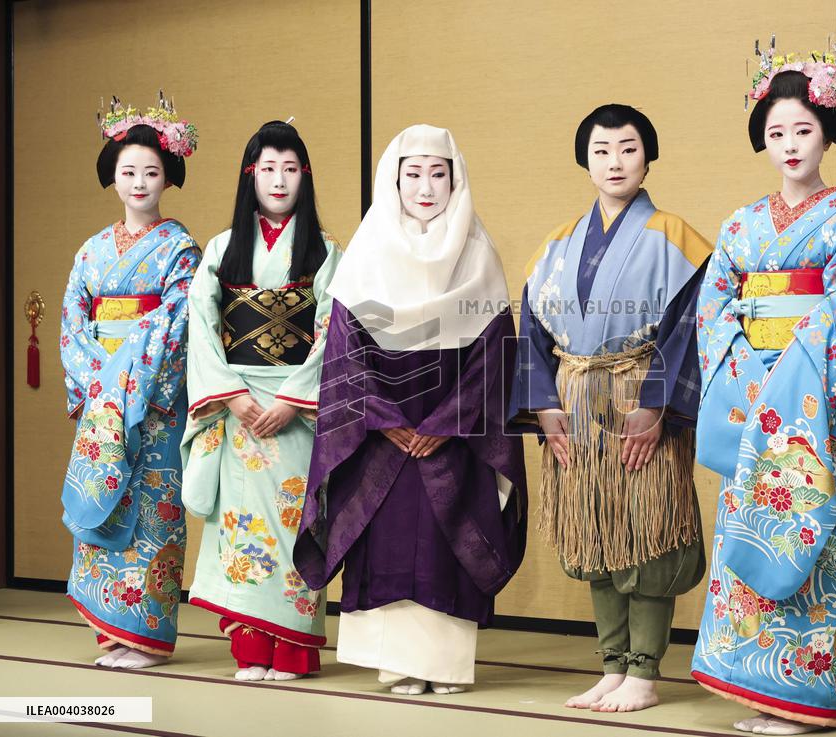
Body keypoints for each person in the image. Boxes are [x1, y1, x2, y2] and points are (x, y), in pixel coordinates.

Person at [690, 43, 836, 735]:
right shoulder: (741, 224)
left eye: (802, 129)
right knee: (748, 538)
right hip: (756, 409)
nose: (789, 145)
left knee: (809, 542)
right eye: (776, 132)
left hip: (807, 416)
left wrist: (791, 375)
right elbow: (715, 305)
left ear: (828, 132)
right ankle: (755, 688)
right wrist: (748, 369)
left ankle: (805, 697)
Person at [294, 124, 527, 696]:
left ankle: (444, 667)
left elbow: (494, 354)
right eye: (413, 174)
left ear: (456, 180)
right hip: (381, 434)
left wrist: (446, 423)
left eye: (438, 174)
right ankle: (396, 663)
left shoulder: (478, 252)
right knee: (391, 538)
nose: (426, 187)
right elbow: (345, 353)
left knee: (447, 543)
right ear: (393, 181)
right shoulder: (368, 249)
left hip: (455, 433)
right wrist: (386, 419)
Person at [510, 104, 712, 712]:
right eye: (601, 150)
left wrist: (655, 408)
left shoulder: (677, 239)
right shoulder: (557, 245)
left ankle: (645, 671)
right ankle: (611, 663)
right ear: (586, 161)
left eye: (627, 148)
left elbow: (690, 330)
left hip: (638, 403)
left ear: (648, 155)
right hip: (574, 405)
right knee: (594, 530)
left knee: (647, 533)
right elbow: (532, 335)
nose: (615, 161)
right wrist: (544, 408)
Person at [181, 120, 341, 682]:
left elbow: (334, 330)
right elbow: (200, 325)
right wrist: (233, 397)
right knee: (242, 524)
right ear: (250, 176)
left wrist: (295, 399)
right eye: (268, 168)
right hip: (240, 406)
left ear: (305, 176)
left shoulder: (325, 251)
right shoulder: (224, 248)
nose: (279, 180)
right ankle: (251, 649)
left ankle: (294, 651)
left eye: (290, 168)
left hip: (296, 411)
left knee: (295, 522)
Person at [60, 93, 199, 669]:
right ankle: (110, 632)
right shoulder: (90, 252)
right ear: (112, 178)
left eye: (150, 171)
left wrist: (121, 382)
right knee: (105, 508)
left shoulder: (181, 249)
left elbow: (177, 321)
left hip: (151, 403)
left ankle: (146, 637)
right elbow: (74, 320)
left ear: (167, 176)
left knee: (152, 515)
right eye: (128, 172)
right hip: (105, 400)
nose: (139, 182)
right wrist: (102, 381)